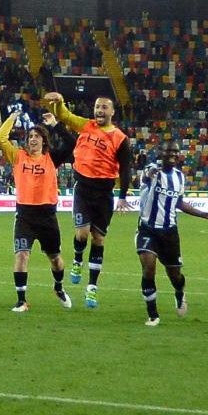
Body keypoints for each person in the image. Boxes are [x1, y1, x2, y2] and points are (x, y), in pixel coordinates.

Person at [43, 91, 133, 310]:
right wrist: (59, 102)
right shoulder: (86, 125)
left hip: (104, 194)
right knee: (82, 233)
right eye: (97, 107)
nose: (99, 111)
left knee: (99, 239)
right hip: (83, 188)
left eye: (104, 107)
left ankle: (91, 287)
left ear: (112, 111)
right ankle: (76, 260)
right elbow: (64, 116)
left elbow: (126, 169)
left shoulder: (120, 138)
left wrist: (122, 196)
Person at [0, 83, 75, 312]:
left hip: (47, 216)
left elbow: (71, 144)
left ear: (44, 141)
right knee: (22, 255)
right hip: (25, 215)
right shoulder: (18, 157)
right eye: (30, 136)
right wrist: (13, 117)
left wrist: (55, 125)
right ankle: (21, 300)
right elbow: (0, 139)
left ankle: (58, 286)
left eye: (37, 136)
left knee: (55, 259)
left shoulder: (51, 159)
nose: (33, 139)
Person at [134, 142, 208, 325]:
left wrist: (204, 214)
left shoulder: (179, 178)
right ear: (161, 153)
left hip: (169, 233)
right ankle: (153, 314)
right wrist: (150, 175)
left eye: (176, 151)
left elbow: (179, 203)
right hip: (147, 229)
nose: (173, 154)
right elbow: (145, 178)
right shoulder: (152, 169)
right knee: (148, 267)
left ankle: (179, 292)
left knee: (174, 274)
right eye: (169, 151)